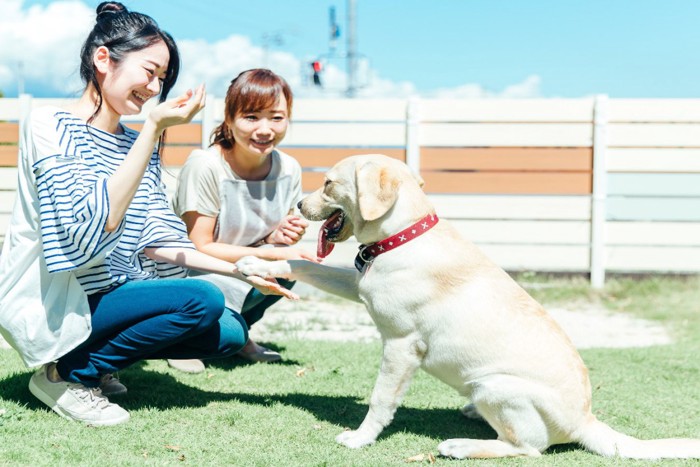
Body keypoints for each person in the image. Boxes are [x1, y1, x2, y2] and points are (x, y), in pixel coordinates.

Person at [0, 2, 295, 426]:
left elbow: (159, 240)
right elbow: (86, 238)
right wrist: (154, 130)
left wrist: (240, 272)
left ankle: (96, 361)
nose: (155, 88)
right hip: (60, 298)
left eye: (162, 79)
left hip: (112, 292)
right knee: (201, 300)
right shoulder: (50, 125)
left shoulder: (133, 143)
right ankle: (66, 376)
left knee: (229, 331)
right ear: (103, 58)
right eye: (150, 71)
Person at [167, 69, 317, 374]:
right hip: (192, 276)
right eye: (251, 117)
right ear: (230, 119)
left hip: (244, 269)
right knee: (226, 333)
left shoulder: (289, 168)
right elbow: (199, 247)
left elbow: (268, 242)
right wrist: (272, 252)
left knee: (290, 267)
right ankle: (180, 339)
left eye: (276, 118)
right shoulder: (206, 165)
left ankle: (240, 329)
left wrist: (277, 239)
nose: (265, 129)